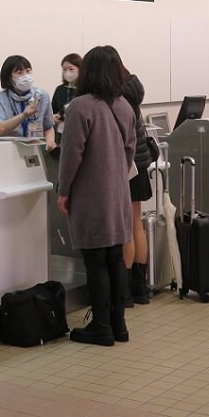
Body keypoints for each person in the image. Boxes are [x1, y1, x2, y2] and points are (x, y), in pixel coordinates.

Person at [57, 45, 135, 347]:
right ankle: (119, 324)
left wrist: (64, 191)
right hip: (117, 193)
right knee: (115, 257)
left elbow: (71, 154)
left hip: (91, 193)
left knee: (95, 260)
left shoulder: (80, 107)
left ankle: (101, 326)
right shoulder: (124, 106)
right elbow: (129, 151)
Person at [120, 63, 153, 306]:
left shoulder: (118, 99)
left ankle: (126, 290)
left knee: (127, 229)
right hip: (140, 168)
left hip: (127, 169)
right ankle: (140, 288)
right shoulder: (133, 91)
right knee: (137, 226)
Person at [0, 55, 57, 151]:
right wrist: (23, 116)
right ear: (9, 78)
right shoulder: (0, 99)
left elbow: (48, 127)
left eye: (28, 71)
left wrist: (50, 141)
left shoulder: (42, 96)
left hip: (36, 149)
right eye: (19, 73)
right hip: (9, 151)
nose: (25, 76)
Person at [51, 53, 82, 144]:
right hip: (60, 133)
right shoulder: (60, 89)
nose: (67, 72)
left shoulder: (84, 90)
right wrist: (54, 117)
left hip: (78, 133)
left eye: (71, 69)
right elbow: (53, 110)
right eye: (64, 69)